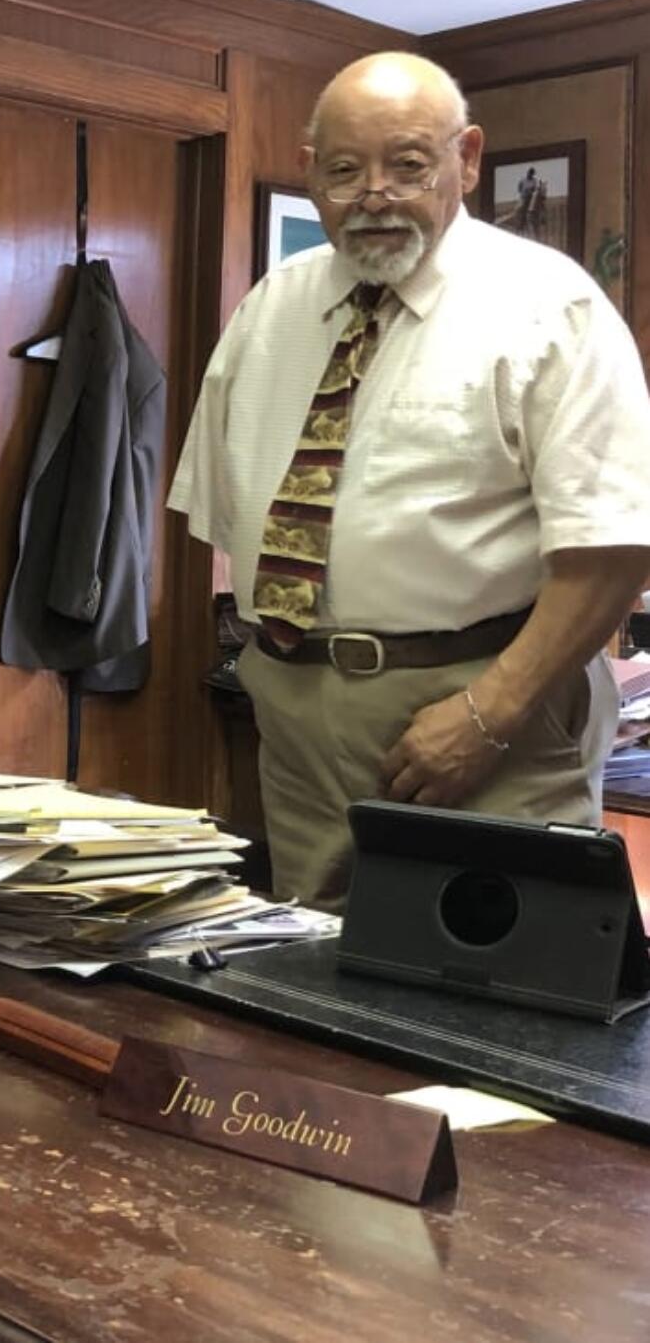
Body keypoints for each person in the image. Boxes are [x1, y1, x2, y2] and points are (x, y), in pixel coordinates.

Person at [170, 51, 650, 910]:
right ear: (311, 173)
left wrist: (487, 715)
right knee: (314, 989)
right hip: (297, 717)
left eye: (408, 164)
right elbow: (227, 515)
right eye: (347, 170)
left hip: (486, 711)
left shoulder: (549, 307)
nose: (375, 194)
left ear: (466, 159)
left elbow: (614, 547)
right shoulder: (272, 309)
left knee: (496, 987)